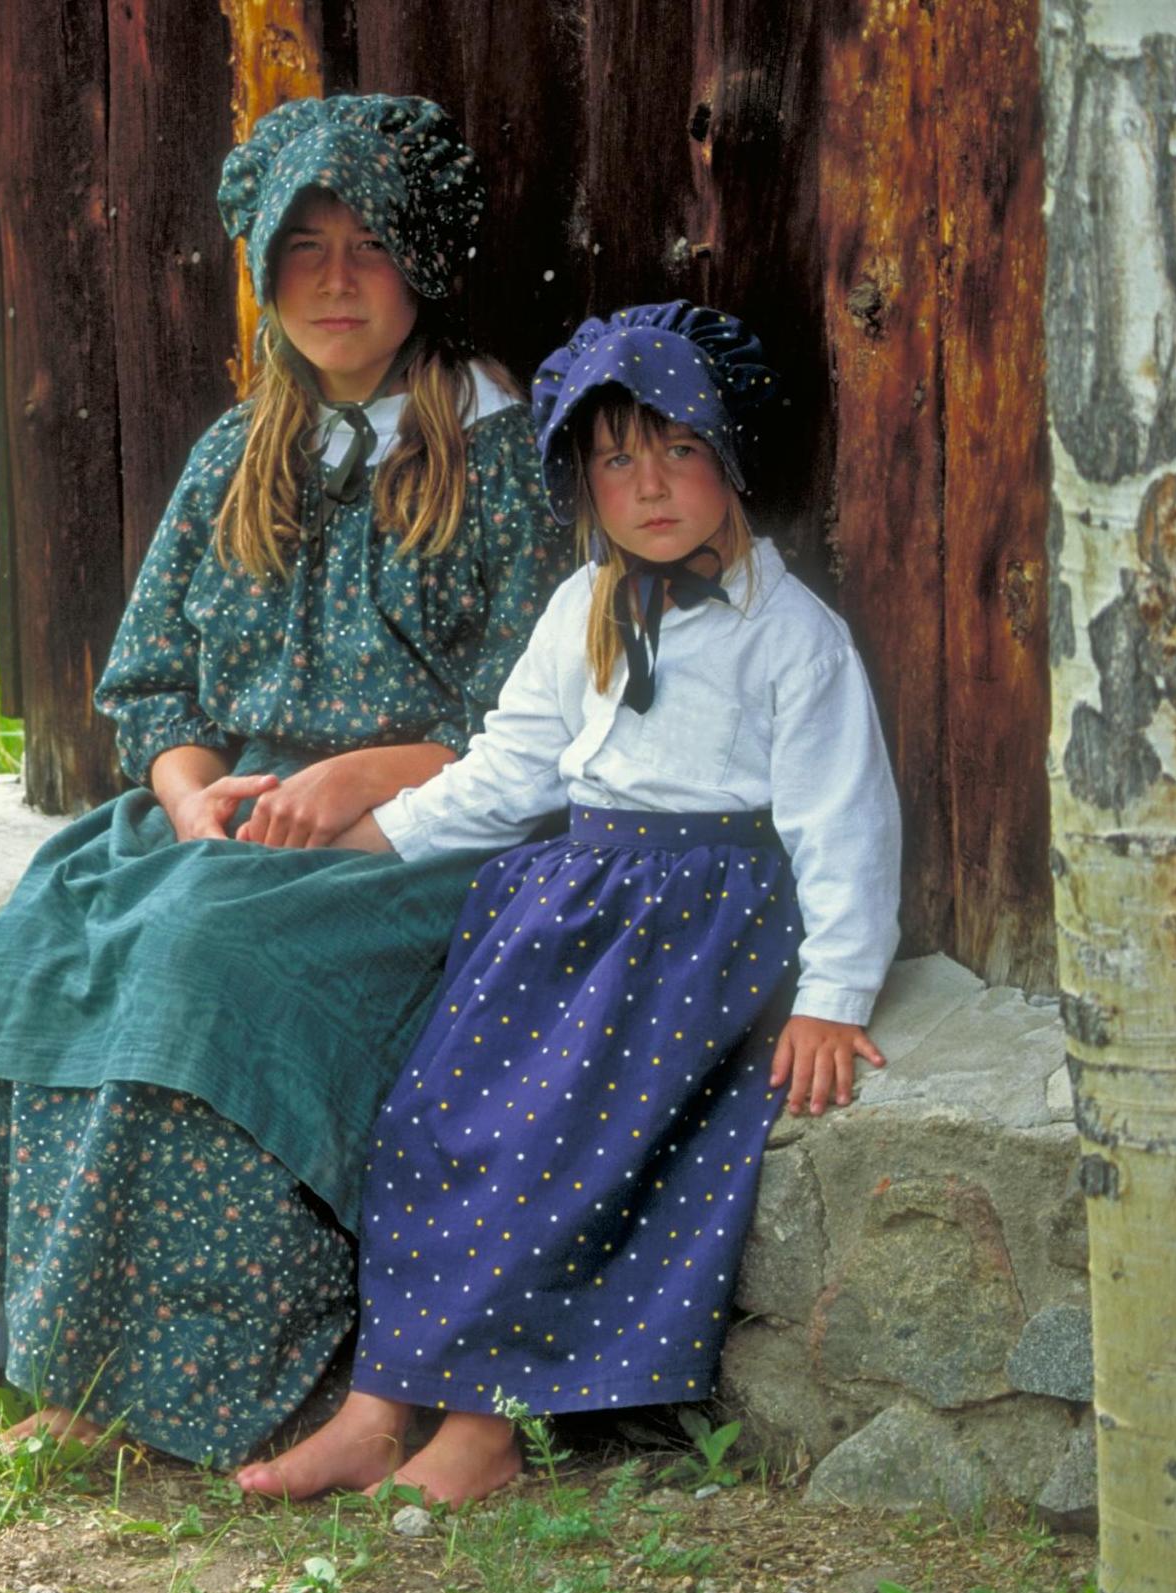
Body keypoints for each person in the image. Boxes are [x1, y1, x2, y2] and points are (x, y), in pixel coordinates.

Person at [0, 94, 573, 1468]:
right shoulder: (239, 451)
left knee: (189, 960)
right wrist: (185, 796)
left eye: (366, 245)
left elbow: (527, 715)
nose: (333, 281)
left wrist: (355, 777)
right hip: (232, 821)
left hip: (413, 835)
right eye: (301, 250)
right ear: (262, 271)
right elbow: (152, 681)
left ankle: (112, 1381)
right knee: (36, 939)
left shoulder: (496, 457)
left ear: (425, 261)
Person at [235, 301, 903, 1504]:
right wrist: (373, 838)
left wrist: (834, 993)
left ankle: (488, 1431)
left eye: (677, 449)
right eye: (615, 459)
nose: (649, 485)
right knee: (438, 1118)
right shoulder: (578, 610)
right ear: (580, 482)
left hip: (697, 928)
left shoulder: (791, 639)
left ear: (729, 457)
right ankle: (383, 1404)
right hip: (566, 908)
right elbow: (505, 774)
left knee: (560, 1141)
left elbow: (843, 824)